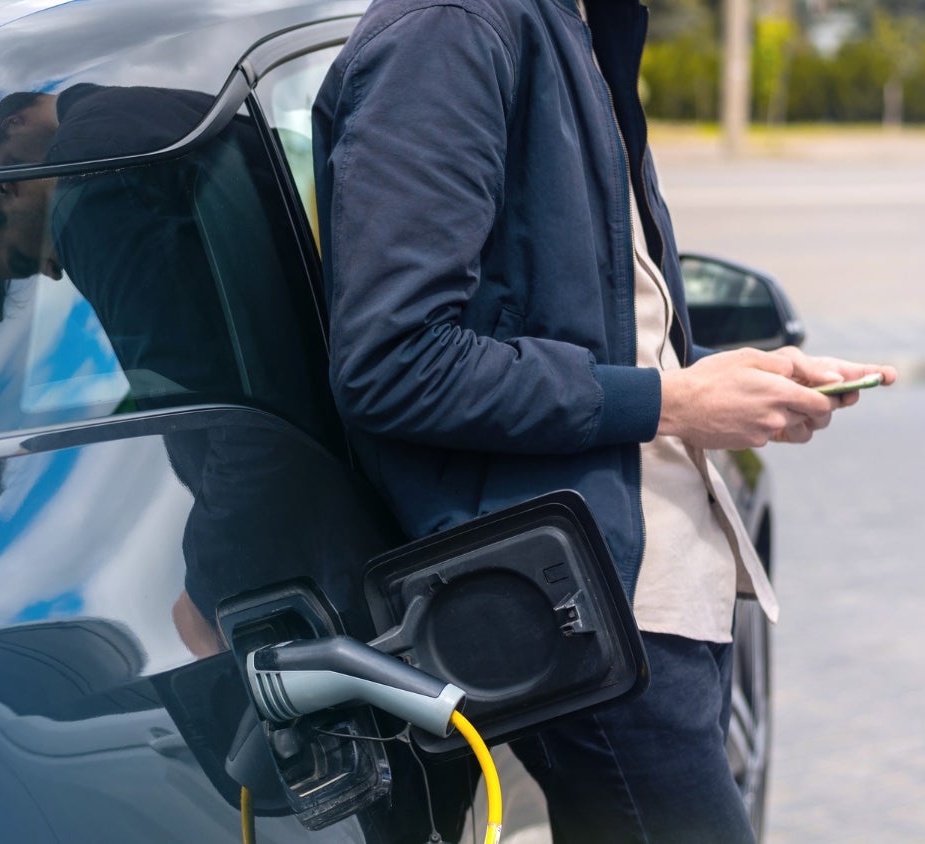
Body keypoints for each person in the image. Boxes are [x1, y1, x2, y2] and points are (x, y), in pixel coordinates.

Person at [311, 0, 895, 841]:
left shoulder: (581, 22)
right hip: (578, 604)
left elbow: (586, 317)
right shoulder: (453, 28)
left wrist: (715, 382)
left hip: (629, 587)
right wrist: (675, 401)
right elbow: (395, 361)